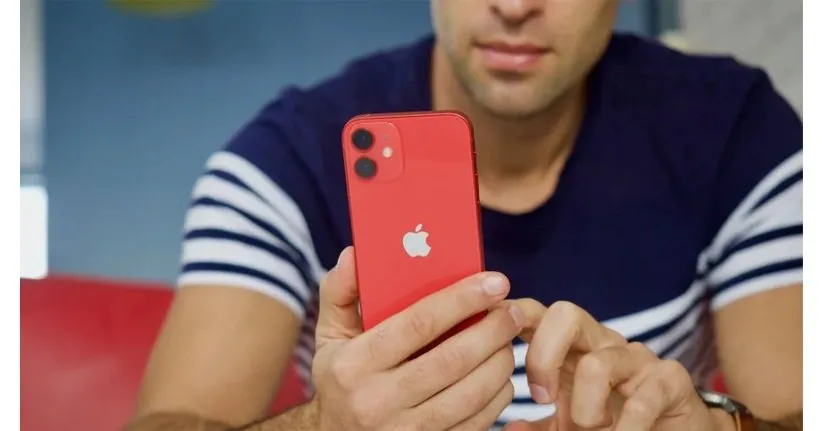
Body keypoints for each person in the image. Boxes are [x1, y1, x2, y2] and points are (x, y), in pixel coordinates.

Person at [127, 0, 803, 430]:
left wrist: (712, 427)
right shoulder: (281, 162)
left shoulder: (738, 132)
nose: (514, 6)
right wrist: (321, 425)